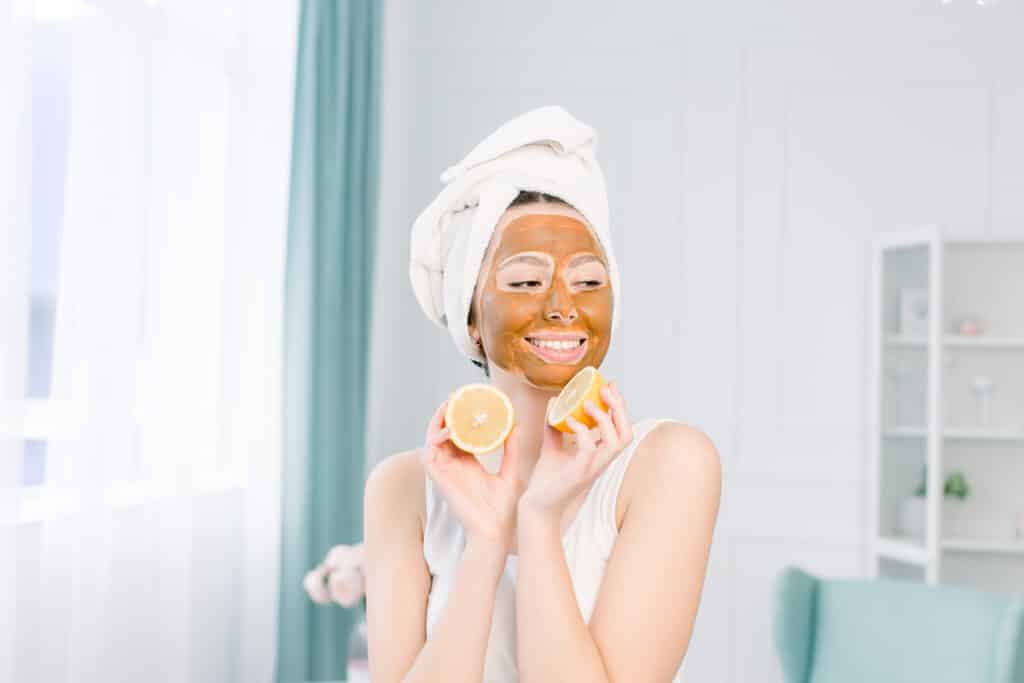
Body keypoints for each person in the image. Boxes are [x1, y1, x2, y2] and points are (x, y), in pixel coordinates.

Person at [363, 106, 721, 682]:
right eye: (526, 282)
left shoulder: (671, 464)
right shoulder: (402, 490)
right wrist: (483, 544)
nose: (562, 306)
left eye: (589, 281)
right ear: (471, 317)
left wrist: (537, 519)